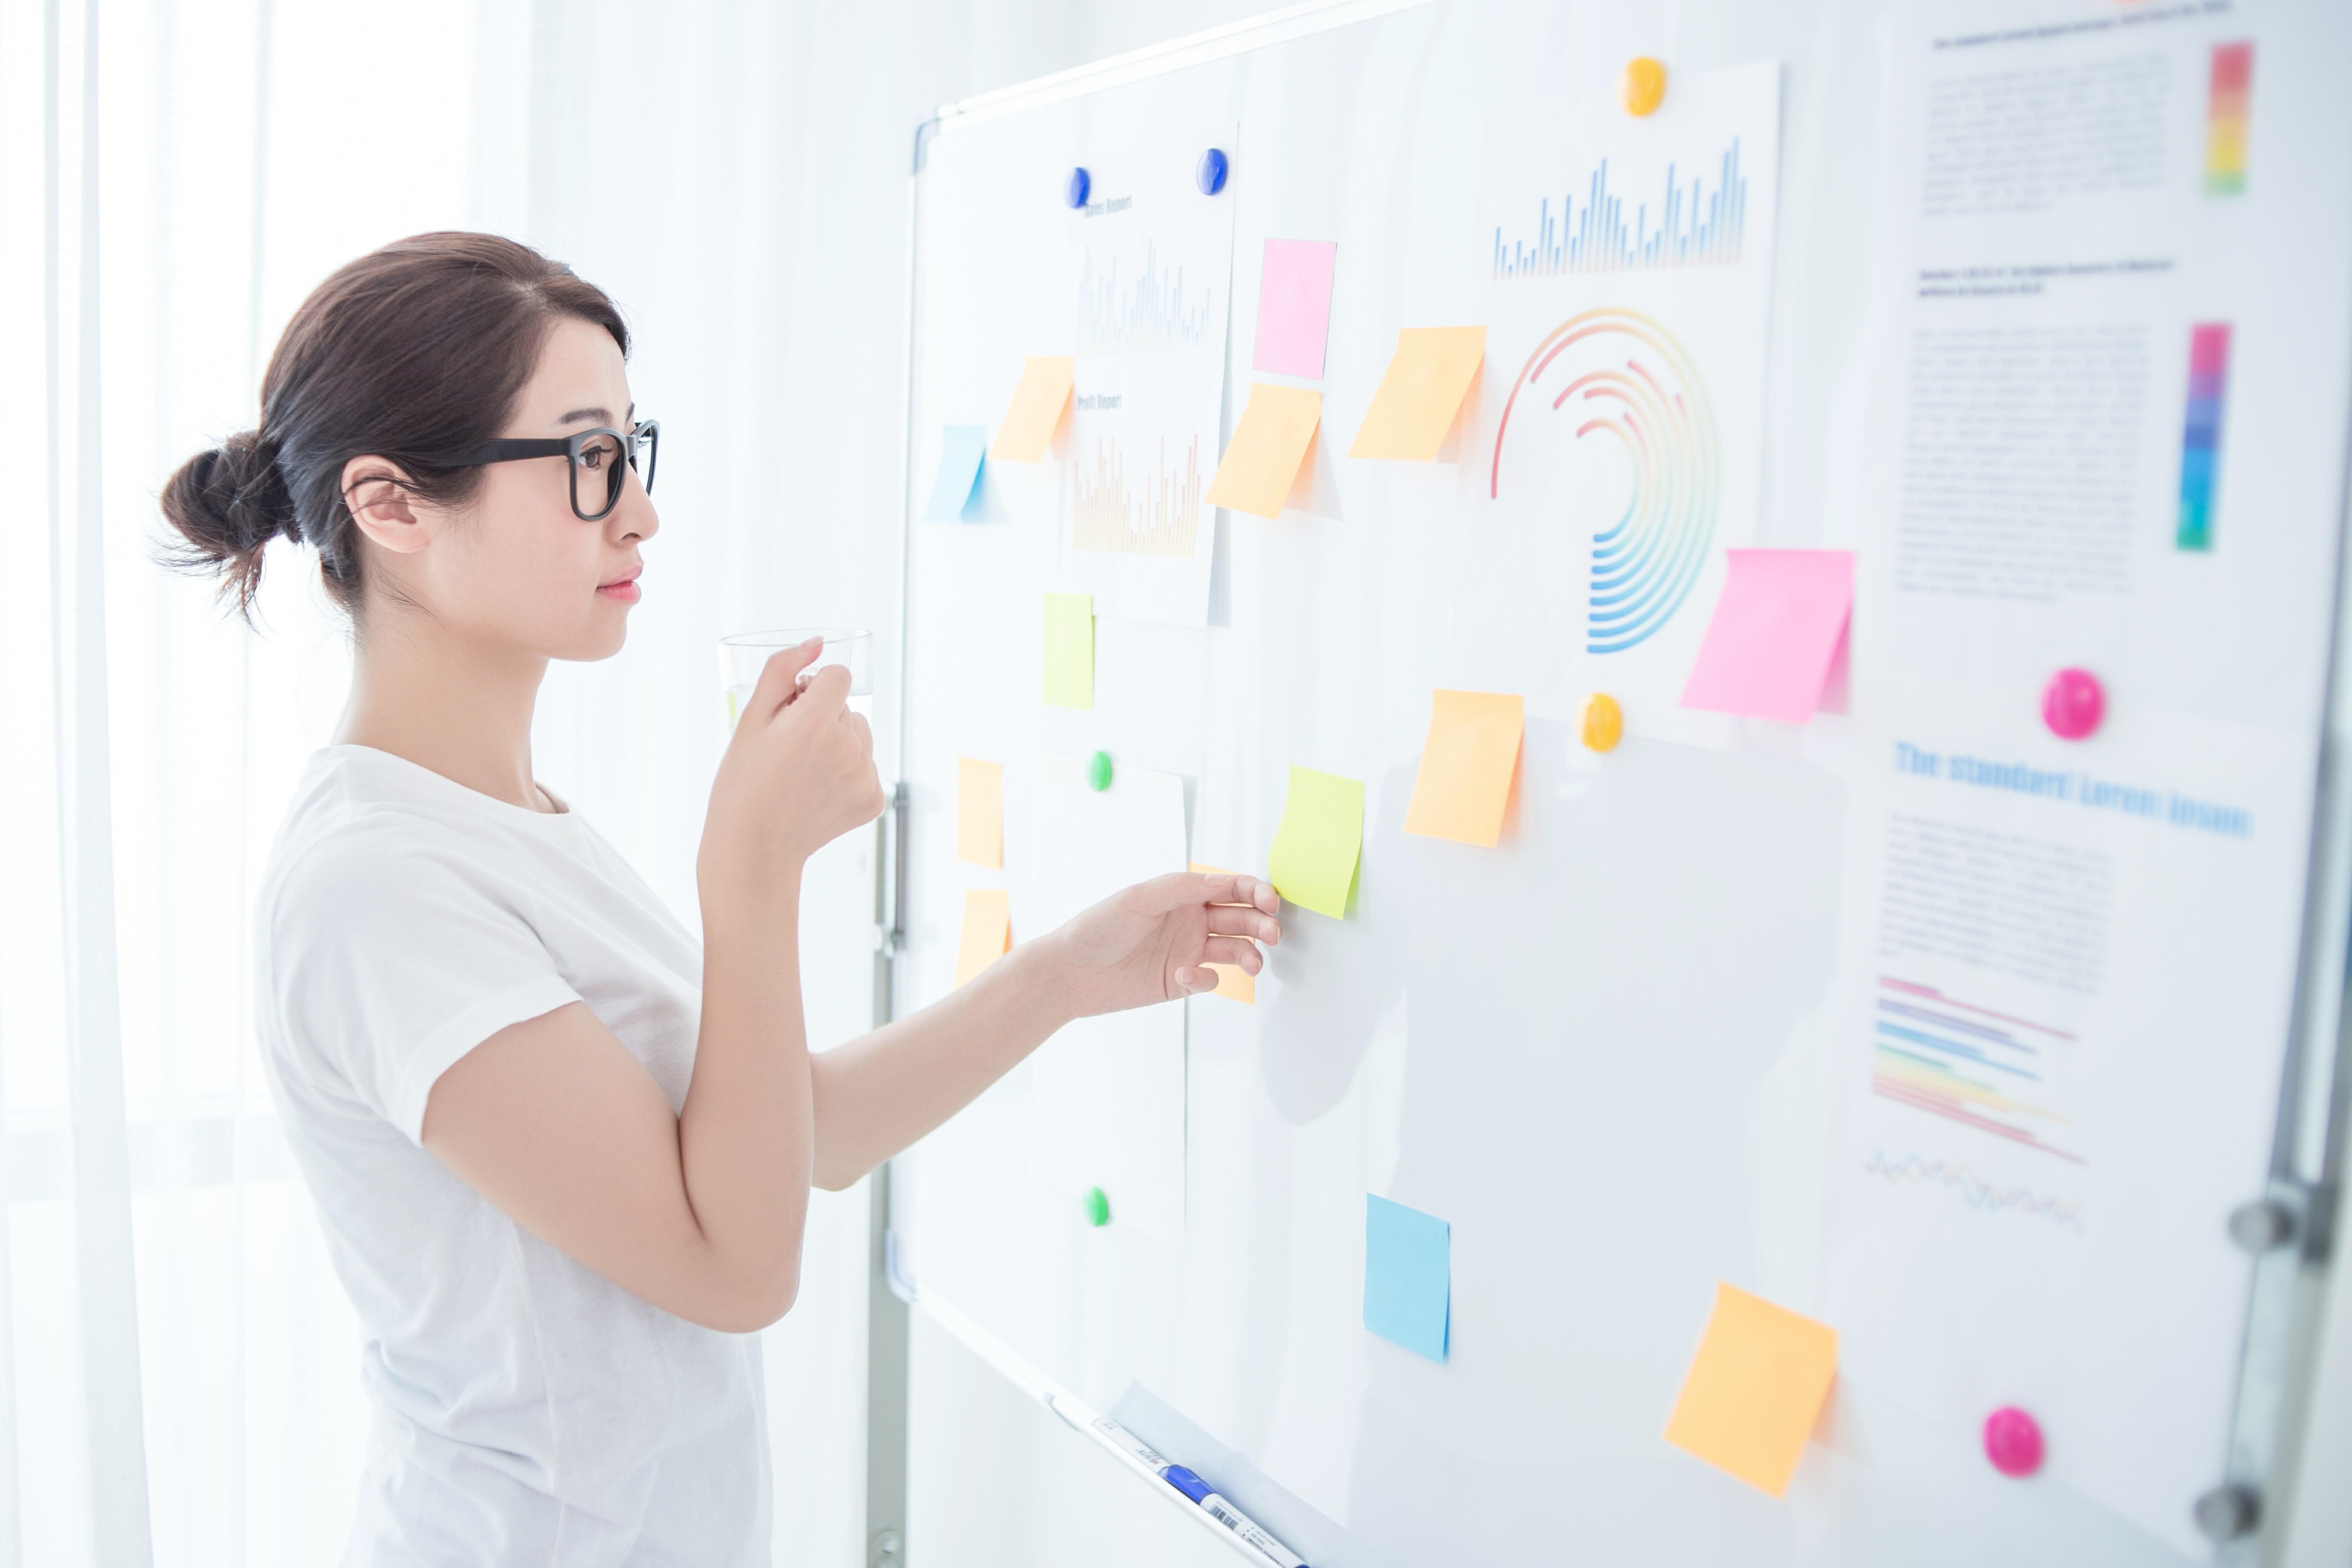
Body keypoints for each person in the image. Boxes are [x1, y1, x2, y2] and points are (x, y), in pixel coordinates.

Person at [158, 231, 1281, 1565]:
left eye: (634, 449)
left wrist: (1060, 979)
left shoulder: (510, 822)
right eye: (585, 460)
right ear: (393, 506)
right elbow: (735, 1266)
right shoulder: (376, 887)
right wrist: (749, 873)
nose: (637, 510)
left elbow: (783, 1134)